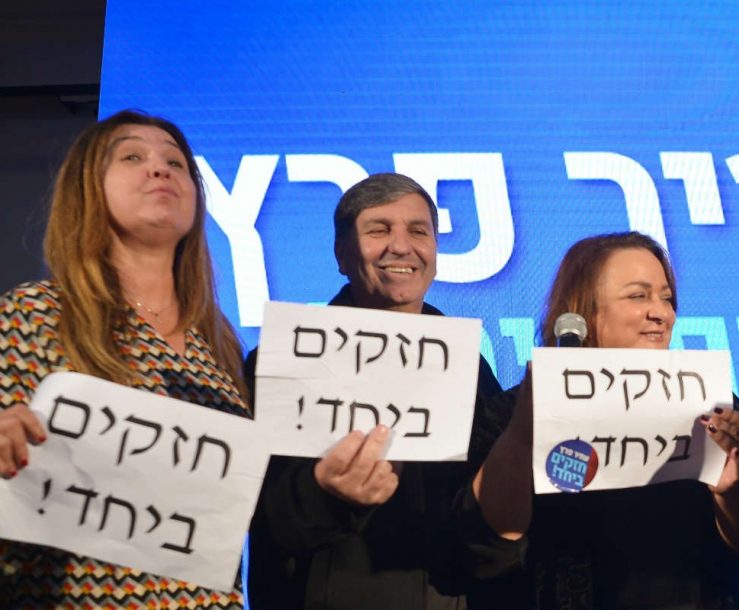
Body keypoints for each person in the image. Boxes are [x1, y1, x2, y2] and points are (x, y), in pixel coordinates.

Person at [0, 110, 251, 608]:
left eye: (176, 163)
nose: (159, 169)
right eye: (132, 157)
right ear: (88, 188)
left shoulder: (220, 344)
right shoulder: (35, 314)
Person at [468, 231, 739, 610]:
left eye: (666, 298)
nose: (662, 313)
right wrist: (523, 434)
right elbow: (483, 543)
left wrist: (732, 493)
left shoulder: (710, 403)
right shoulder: (516, 411)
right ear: (583, 312)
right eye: (638, 296)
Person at [246, 172, 505, 609]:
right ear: (342, 254)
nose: (400, 246)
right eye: (378, 230)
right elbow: (265, 517)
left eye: (418, 231)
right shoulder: (283, 359)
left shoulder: (468, 365)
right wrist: (326, 496)